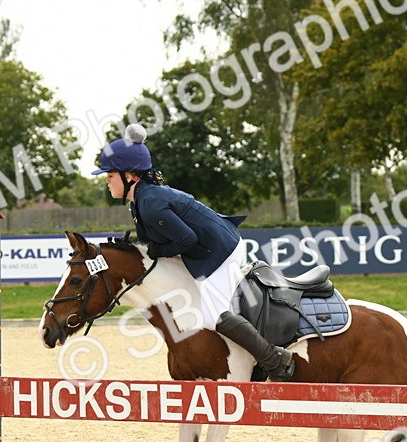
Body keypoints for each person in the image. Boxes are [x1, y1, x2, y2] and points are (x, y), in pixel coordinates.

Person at [92, 123, 295, 381]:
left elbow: (187, 239)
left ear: (129, 175)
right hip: (205, 248)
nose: (107, 181)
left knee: (213, 316)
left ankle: (274, 358)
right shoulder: (140, 201)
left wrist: (155, 249)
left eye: (109, 175)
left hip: (221, 250)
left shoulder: (150, 202)